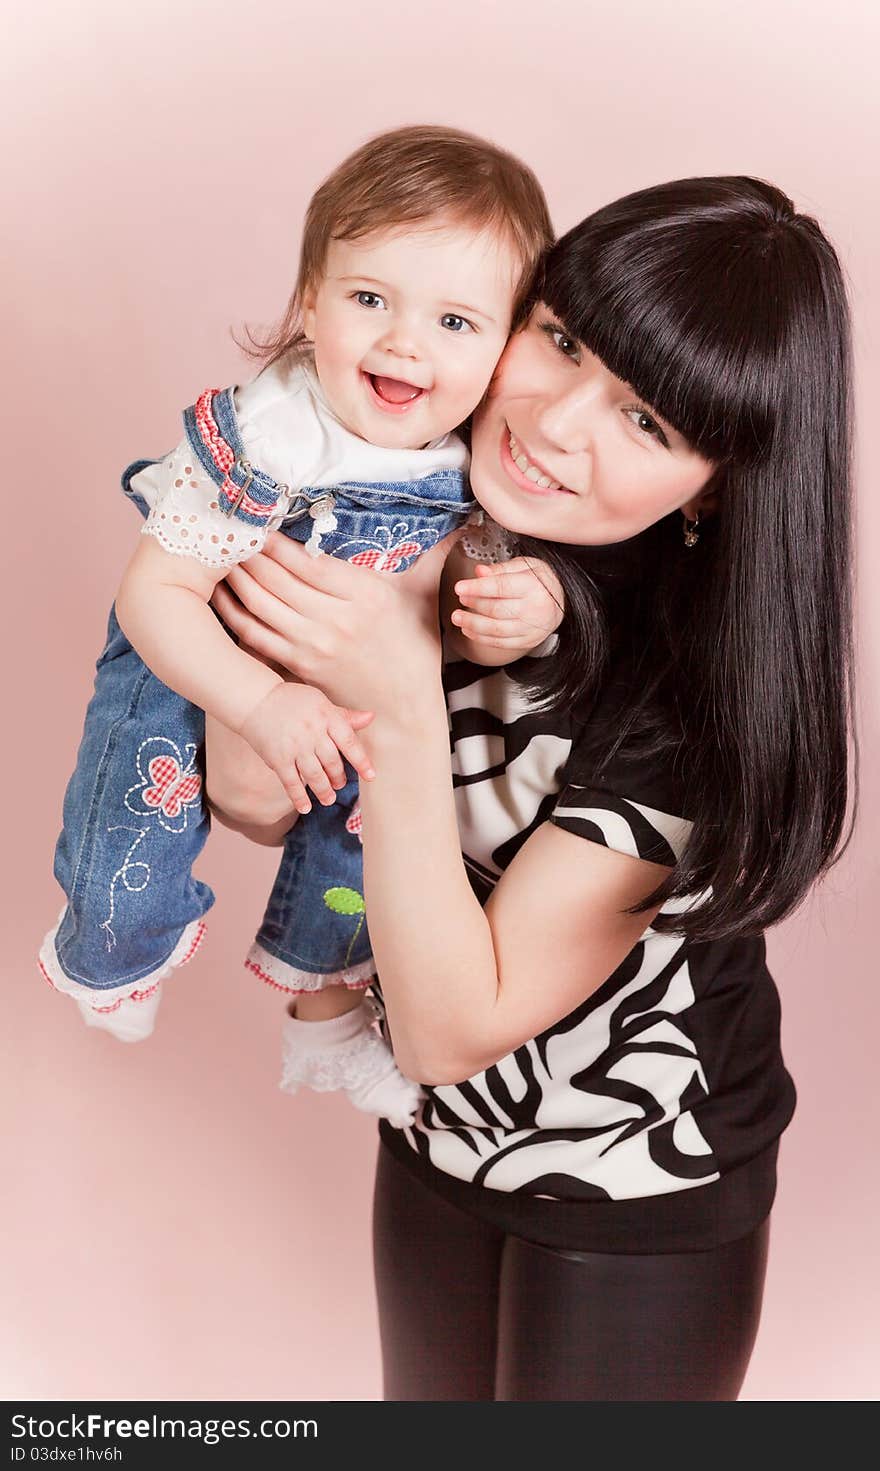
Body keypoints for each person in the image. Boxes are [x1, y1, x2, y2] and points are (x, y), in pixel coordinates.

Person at [203, 175, 855, 1401]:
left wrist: (394, 687)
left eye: (647, 422)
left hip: (633, 1184)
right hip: (436, 1141)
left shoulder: (689, 694)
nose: (556, 427)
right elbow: (256, 802)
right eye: (558, 340)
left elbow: (457, 1024)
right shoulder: (425, 512)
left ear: (714, 486)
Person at [38, 125, 562, 1126]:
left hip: (357, 698)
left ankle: (326, 1011)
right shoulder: (263, 436)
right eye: (370, 300)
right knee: (129, 840)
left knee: (370, 858)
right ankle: (116, 958)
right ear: (310, 301)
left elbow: (453, 618)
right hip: (196, 670)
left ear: (505, 346)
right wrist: (257, 699)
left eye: (457, 321)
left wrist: (508, 618)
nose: (406, 342)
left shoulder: (470, 464)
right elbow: (156, 597)